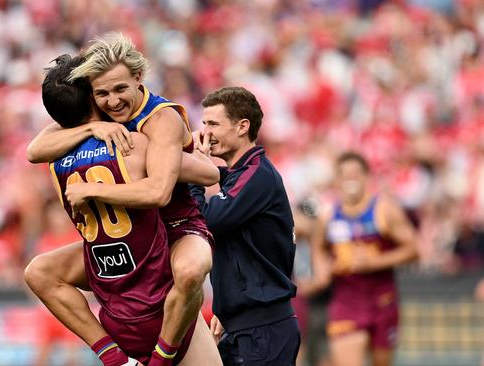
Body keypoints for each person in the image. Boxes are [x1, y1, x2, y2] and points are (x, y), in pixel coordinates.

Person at [25, 33, 217, 366]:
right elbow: (33, 150)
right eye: (102, 93)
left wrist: (92, 189)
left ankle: (160, 358)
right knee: (39, 272)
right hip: (135, 238)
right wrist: (89, 130)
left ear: (139, 78)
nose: (112, 101)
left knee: (189, 271)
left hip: (178, 227)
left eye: (119, 90)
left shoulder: (159, 121)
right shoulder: (100, 124)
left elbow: (165, 189)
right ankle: (116, 359)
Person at [188, 86, 300, 366]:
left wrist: (194, 172)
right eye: (204, 123)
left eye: (213, 123)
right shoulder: (239, 175)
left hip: (262, 327)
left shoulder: (257, 174)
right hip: (244, 325)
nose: (206, 132)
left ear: (242, 127)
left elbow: (206, 220)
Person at [310, 151, 418, 366]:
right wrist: (322, 271)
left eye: (356, 174)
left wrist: (374, 262)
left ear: (367, 177)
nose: (351, 179)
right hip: (346, 302)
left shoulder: (384, 210)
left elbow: (413, 250)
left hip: (383, 301)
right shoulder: (328, 215)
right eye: (345, 175)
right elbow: (318, 247)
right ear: (337, 180)